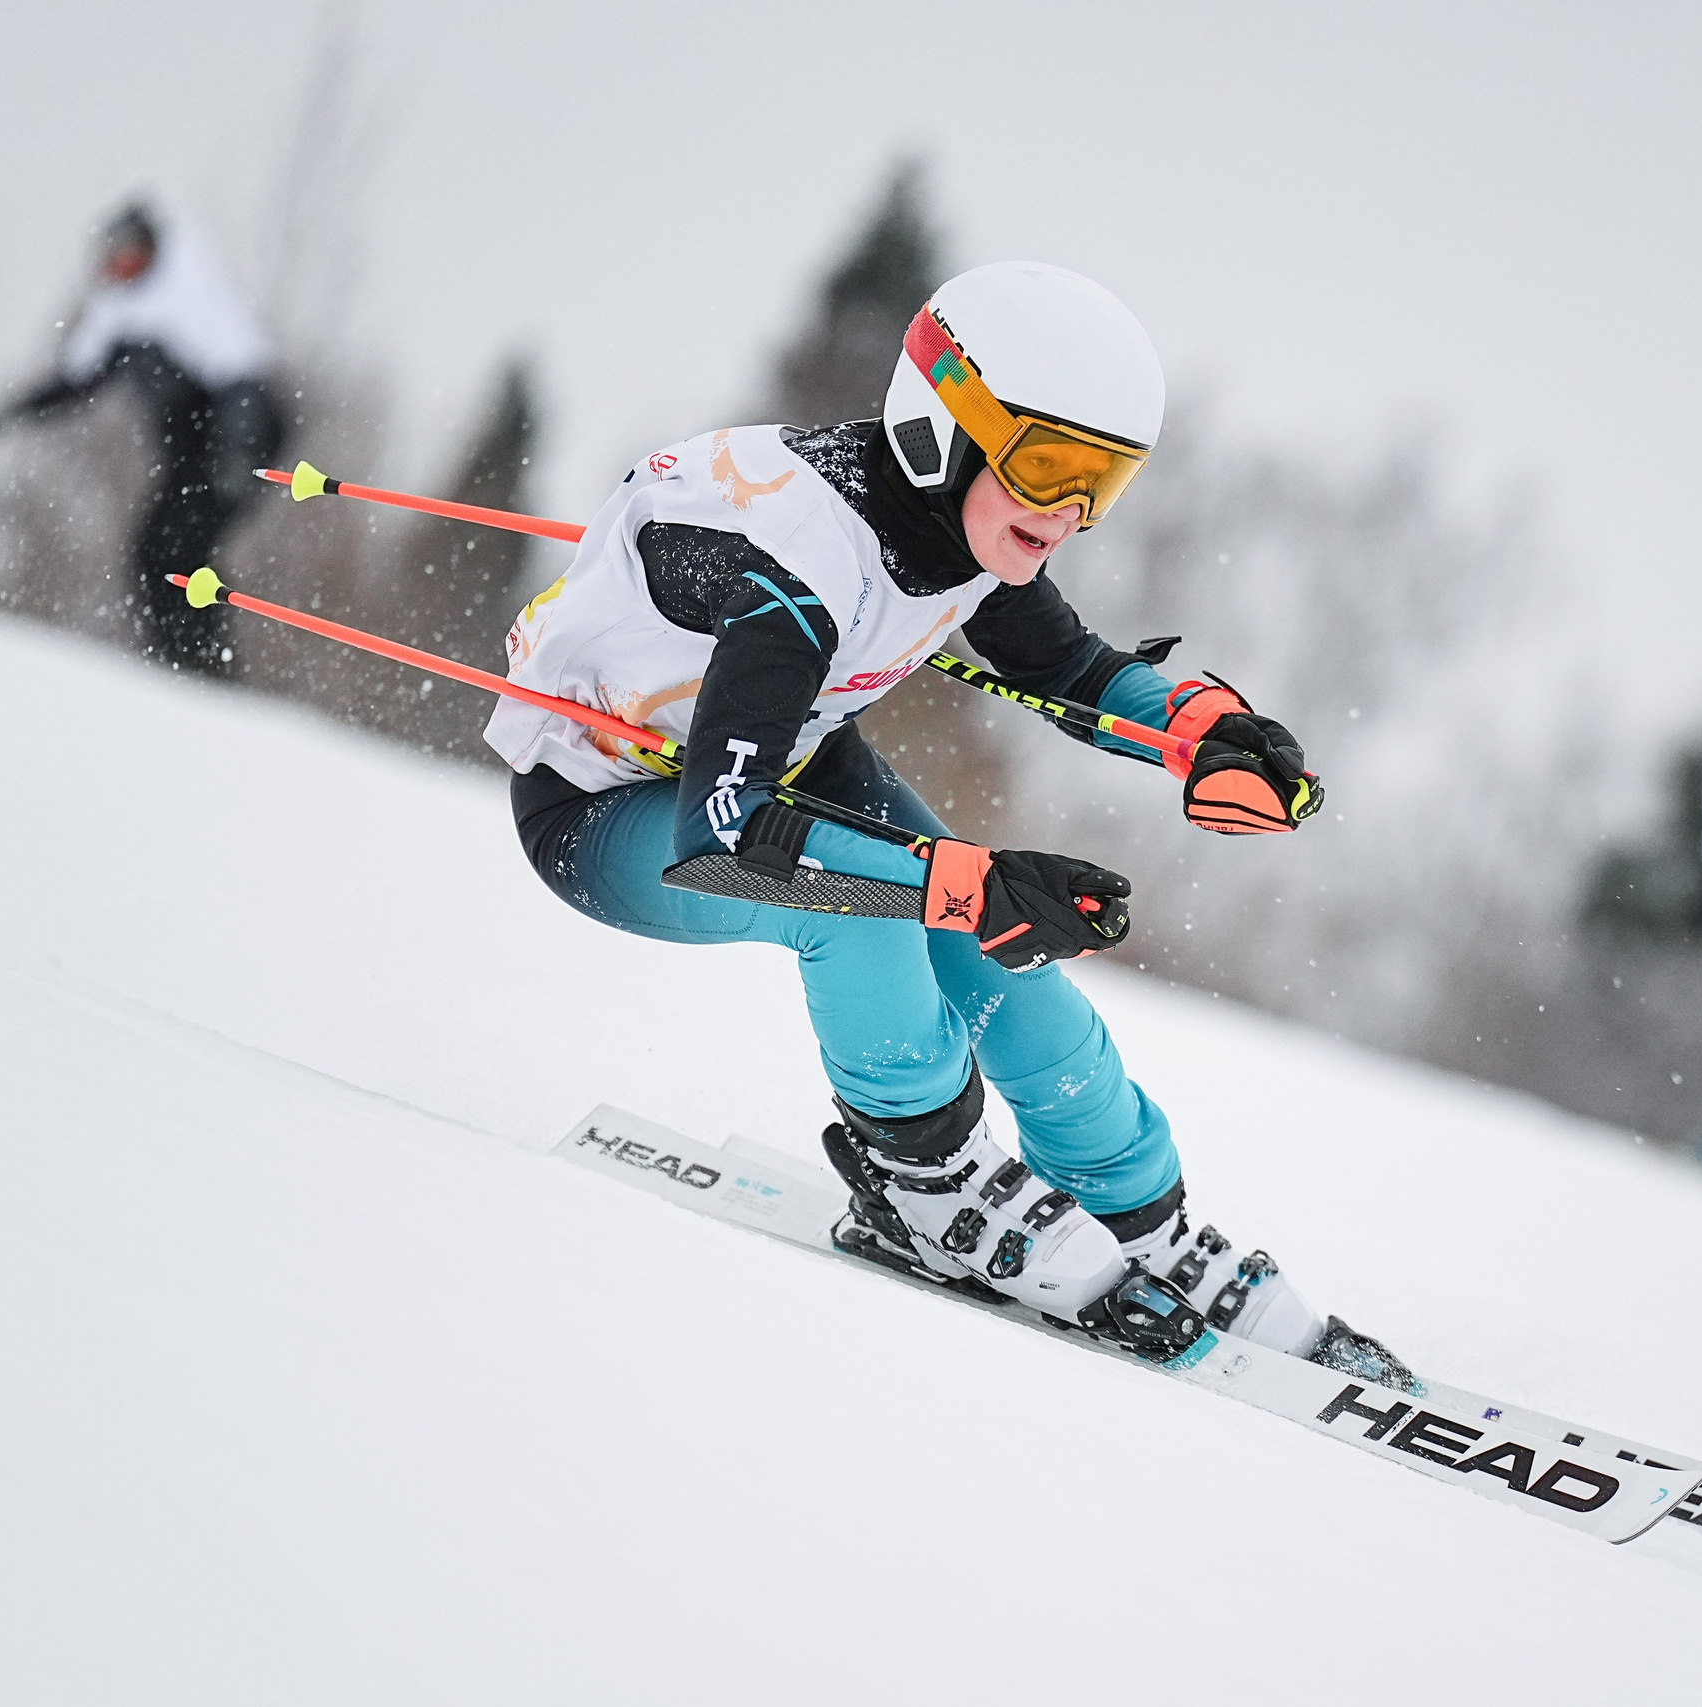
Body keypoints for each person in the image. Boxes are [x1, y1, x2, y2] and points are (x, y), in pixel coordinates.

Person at [489, 261, 1404, 1379]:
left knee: (1007, 965)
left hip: (799, 771)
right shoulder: (801, 556)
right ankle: (925, 1183)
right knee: (870, 914)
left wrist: (1207, 728)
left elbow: (1069, 667)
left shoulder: (970, 521)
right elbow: (719, 835)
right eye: (1050, 467)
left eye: (1101, 483)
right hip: (609, 810)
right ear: (943, 428)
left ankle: (1141, 1222)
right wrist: (965, 878)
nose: (1069, 514)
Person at [0, 202, 282, 676]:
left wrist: (238, 452)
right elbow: (79, 381)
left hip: (238, 443)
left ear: (150, 252)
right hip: (194, 453)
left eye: (129, 256)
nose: (119, 267)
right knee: (158, 550)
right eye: (112, 258)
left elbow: (243, 380)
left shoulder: (188, 295)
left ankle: (202, 663)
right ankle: (186, 658)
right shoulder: (119, 314)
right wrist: (23, 408)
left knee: (173, 547)